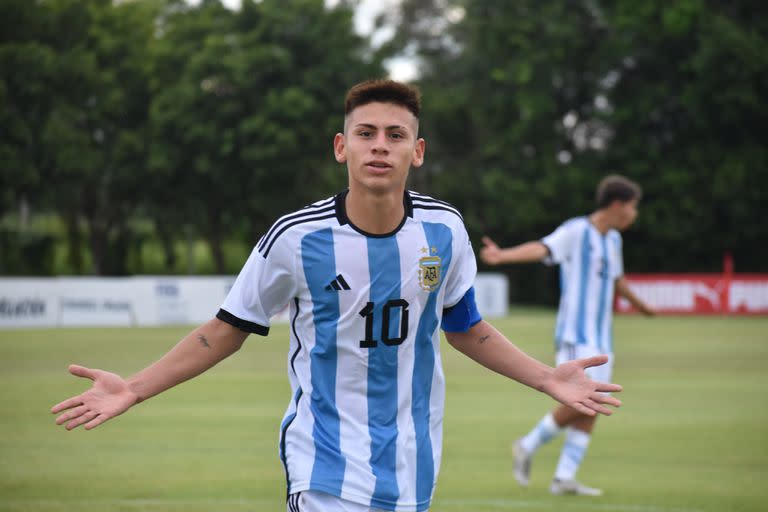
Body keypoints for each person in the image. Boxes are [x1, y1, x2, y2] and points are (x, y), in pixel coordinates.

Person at [52, 80, 622, 512]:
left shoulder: (445, 232)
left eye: (395, 135)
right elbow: (223, 330)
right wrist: (134, 388)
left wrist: (546, 378)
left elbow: (466, 327)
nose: (380, 146)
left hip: (413, 461)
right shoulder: (295, 239)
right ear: (340, 147)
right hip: (321, 462)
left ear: (417, 152)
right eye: (365, 133)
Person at [480, 174, 655, 497]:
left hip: (603, 338)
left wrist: (642, 307)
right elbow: (542, 248)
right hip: (577, 335)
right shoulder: (577, 231)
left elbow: (617, 282)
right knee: (583, 398)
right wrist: (502, 256)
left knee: (595, 403)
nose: (635, 214)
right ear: (617, 205)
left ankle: (564, 477)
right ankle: (527, 445)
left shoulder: (613, 240)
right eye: (633, 207)